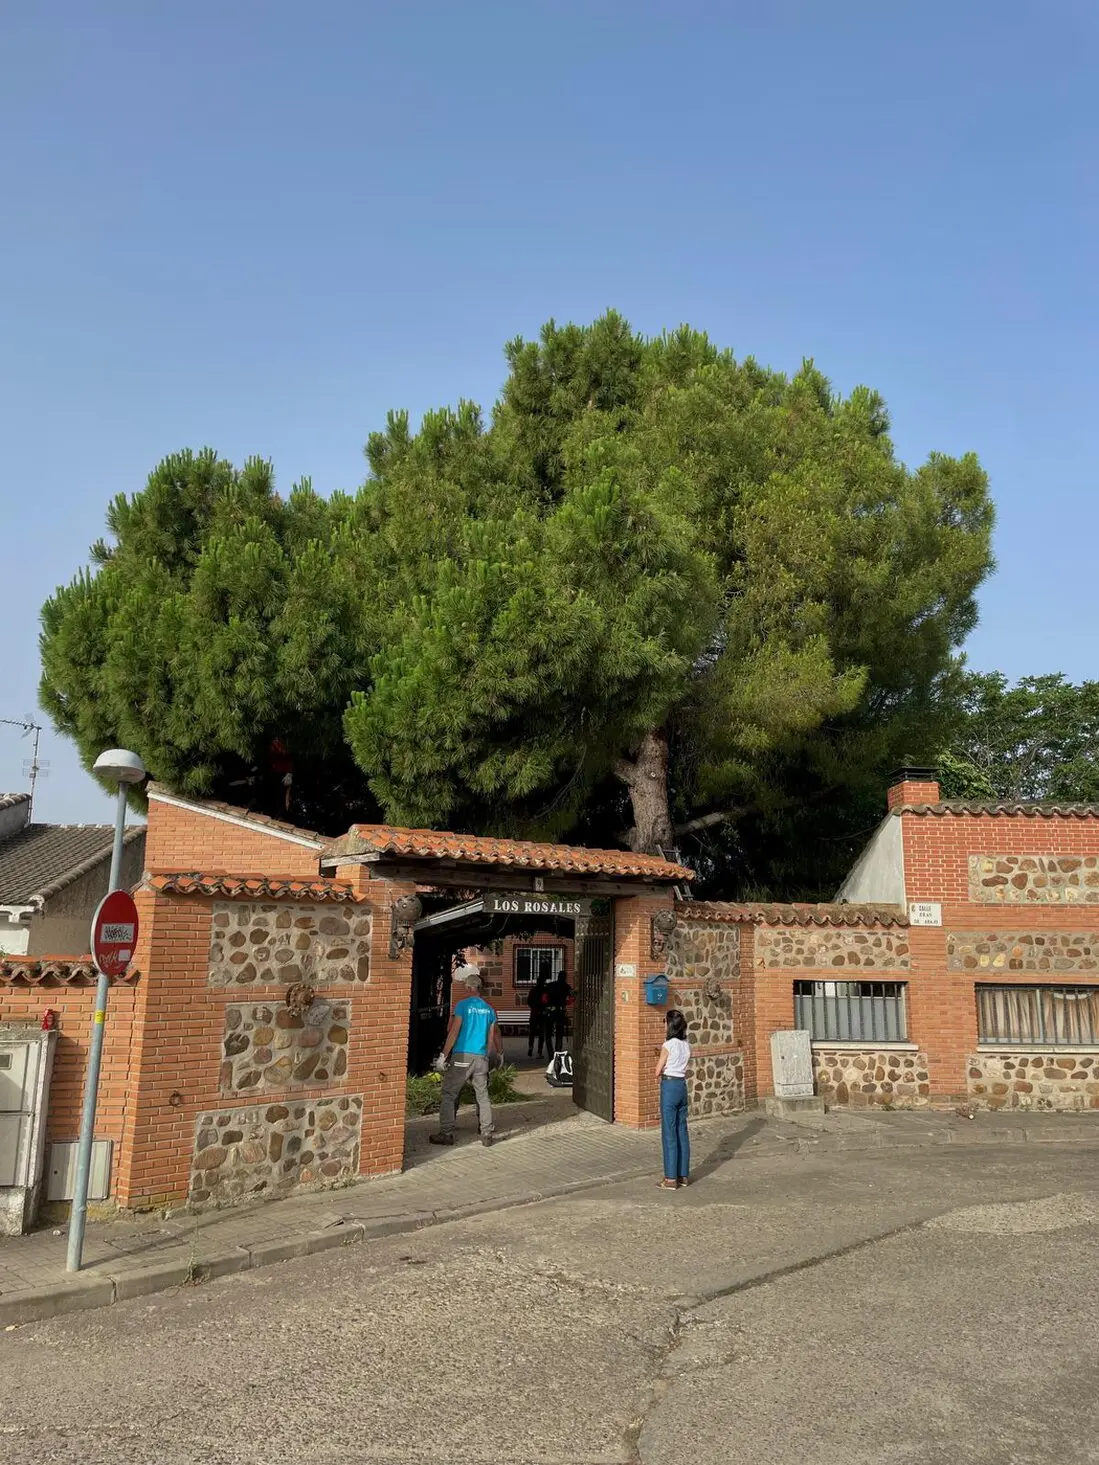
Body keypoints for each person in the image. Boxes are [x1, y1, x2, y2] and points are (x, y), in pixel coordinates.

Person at [429, 965, 502, 1147]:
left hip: (462, 1056)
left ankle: (446, 1133)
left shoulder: (462, 1006)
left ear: (469, 988)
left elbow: (453, 1032)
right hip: (481, 1057)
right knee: (482, 1095)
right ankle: (486, 1133)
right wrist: (497, 1054)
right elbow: (492, 1035)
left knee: (449, 1093)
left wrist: (443, 1056)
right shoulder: (489, 1009)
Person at [655, 1009, 691, 1189]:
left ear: (669, 1025)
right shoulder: (686, 1044)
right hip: (682, 1085)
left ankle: (670, 1178)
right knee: (682, 1130)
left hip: (669, 1086)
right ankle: (683, 1175)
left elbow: (657, 1069)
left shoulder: (668, 1045)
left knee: (669, 1132)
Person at [546, 971, 572, 1054]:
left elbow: (544, 998)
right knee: (559, 1034)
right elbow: (571, 998)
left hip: (550, 1013)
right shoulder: (567, 987)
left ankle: (550, 1054)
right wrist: (565, 1003)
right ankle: (557, 1052)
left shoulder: (550, 985)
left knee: (548, 1034)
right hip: (560, 1012)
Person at [527, 973, 551, 1059]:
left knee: (532, 1032)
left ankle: (530, 1047)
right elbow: (547, 1002)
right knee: (541, 1033)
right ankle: (539, 1052)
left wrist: (533, 1008)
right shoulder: (545, 991)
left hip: (534, 1014)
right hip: (542, 1014)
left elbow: (529, 1002)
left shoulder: (532, 991)